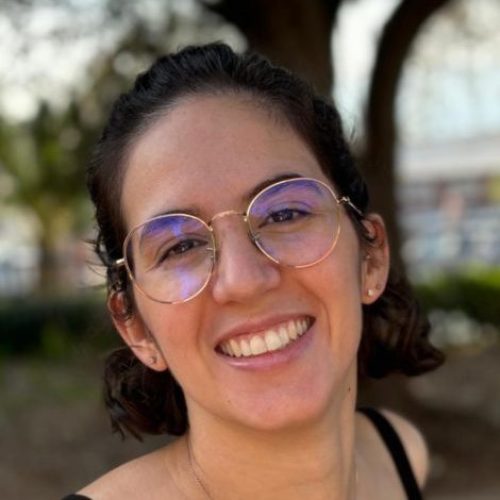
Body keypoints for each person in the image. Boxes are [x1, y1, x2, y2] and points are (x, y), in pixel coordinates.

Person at [64, 42, 443, 500]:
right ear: (136, 327)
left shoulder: (398, 453)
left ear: (371, 259)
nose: (244, 280)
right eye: (180, 246)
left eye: (284, 213)